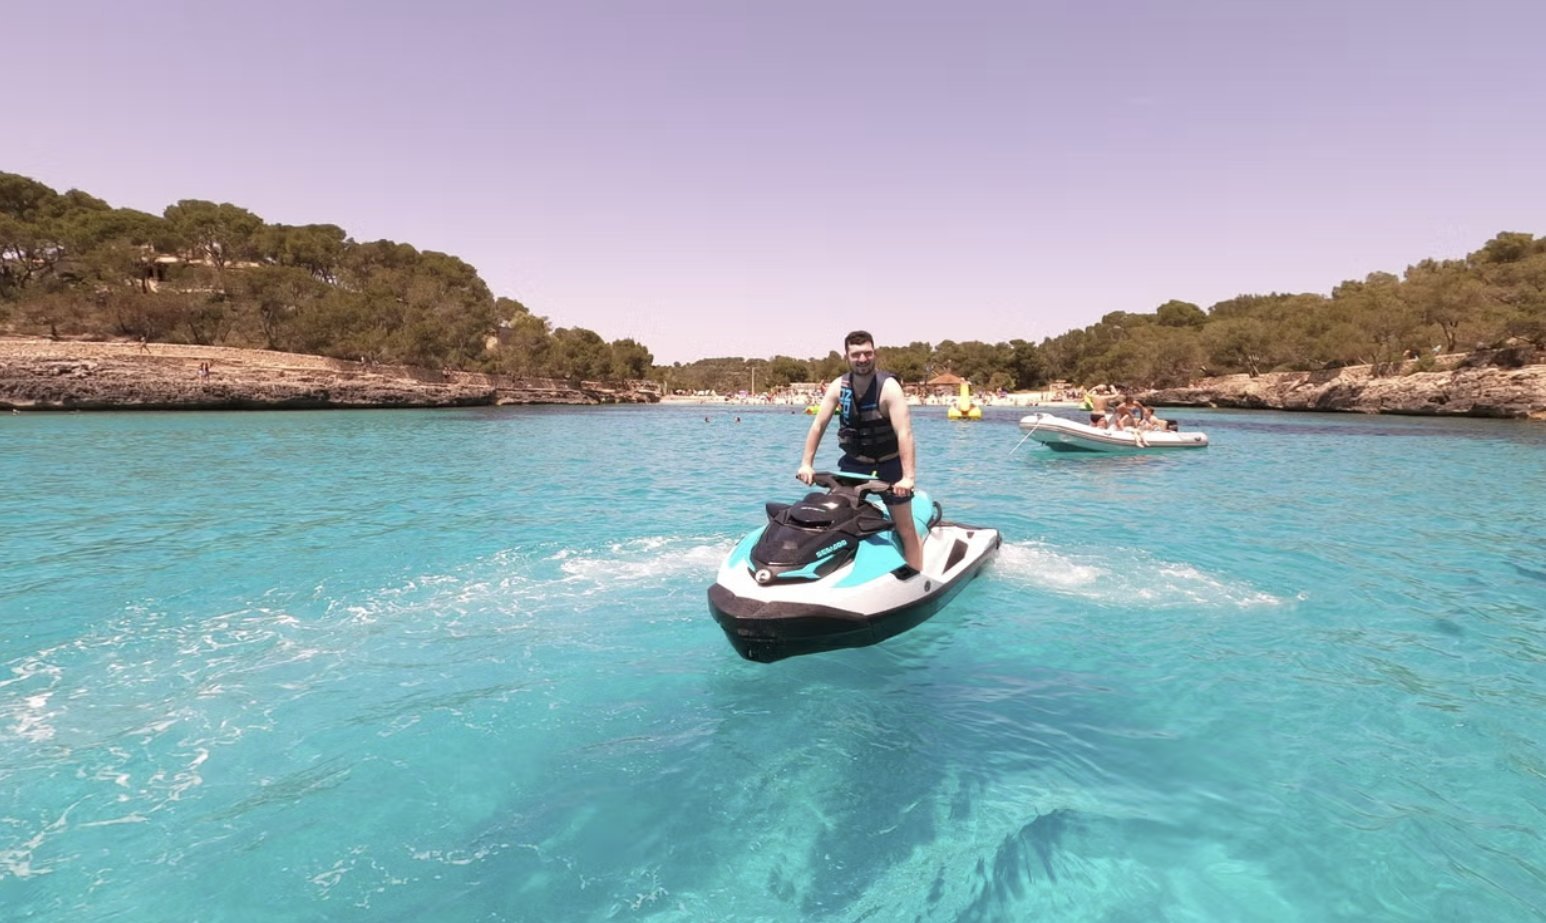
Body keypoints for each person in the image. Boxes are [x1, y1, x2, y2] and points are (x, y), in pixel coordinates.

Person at [798, 330, 923, 572]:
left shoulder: (889, 388)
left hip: (890, 466)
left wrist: (908, 478)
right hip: (853, 465)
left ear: (875, 353)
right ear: (847, 357)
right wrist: (806, 464)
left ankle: (916, 576)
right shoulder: (839, 387)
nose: (862, 359)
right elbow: (818, 426)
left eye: (867, 353)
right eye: (856, 355)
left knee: (905, 528)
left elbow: (904, 433)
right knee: (836, 521)